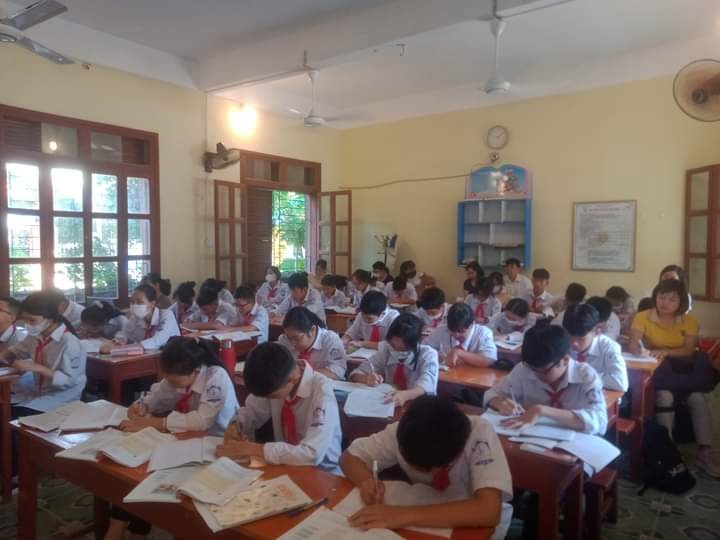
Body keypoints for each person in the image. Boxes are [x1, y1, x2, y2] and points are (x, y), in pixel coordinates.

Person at [104, 337, 239, 540]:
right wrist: (143, 406)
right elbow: (159, 396)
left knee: (155, 477)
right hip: (184, 442)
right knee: (138, 473)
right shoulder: (178, 376)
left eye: (175, 381)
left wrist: (154, 423)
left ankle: (131, 527)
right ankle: (129, 527)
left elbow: (201, 422)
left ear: (195, 371)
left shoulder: (216, 377)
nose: (171, 384)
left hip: (216, 448)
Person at [340, 396, 513, 539]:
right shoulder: (405, 431)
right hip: (426, 515)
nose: (430, 474)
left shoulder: (478, 433)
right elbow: (349, 457)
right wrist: (365, 481)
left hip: (472, 526)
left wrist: (403, 515)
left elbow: (489, 510)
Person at [629, 279, 719, 476]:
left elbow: (689, 350)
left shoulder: (689, 321)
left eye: (672, 299)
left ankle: (704, 452)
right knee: (664, 397)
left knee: (698, 399)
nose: (665, 303)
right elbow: (634, 343)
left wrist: (664, 352)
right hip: (661, 373)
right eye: (662, 297)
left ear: (681, 302)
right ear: (655, 297)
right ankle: (668, 450)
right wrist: (638, 349)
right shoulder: (643, 317)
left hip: (686, 372)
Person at [216, 342, 342, 474]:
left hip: (322, 472)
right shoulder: (275, 380)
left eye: (272, 396)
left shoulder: (322, 393)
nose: (269, 400)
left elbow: (311, 454)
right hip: (284, 465)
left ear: (293, 378)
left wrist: (253, 449)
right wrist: (236, 425)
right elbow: (251, 411)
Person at [484, 325, 608, 435]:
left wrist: (542, 411)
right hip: (530, 440)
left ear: (565, 360)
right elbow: (491, 393)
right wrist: (498, 402)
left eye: (544, 371)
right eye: (532, 369)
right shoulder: (525, 369)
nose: (536, 375)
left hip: (574, 444)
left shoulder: (586, 376)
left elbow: (600, 422)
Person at [0, 291, 86, 414]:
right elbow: (16, 350)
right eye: (25, 320)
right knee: (4, 409)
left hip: (61, 399)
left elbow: (69, 382)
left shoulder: (69, 343)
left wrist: (37, 367)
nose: (27, 325)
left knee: (10, 416)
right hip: (36, 393)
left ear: (50, 318)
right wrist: (5, 355)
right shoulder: (36, 335)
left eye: (32, 320)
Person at [349, 314, 439, 407]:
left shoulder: (428, 354)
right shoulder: (386, 349)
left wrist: (406, 395)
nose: (396, 351)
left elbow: (427, 385)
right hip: (389, 404)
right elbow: (356, 373)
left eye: (403, 349)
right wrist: (366, 378)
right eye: (393, 346)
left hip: (417, 407)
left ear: (417, 343)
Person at [562, 304, 628, 392]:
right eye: (570, 337)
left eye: (581, 339)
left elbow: (620, 383)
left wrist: (584, 375)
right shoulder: (561, 341)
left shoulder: (610, 347)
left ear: (597, 332)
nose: (574, 343)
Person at [101, 285, 180, 353]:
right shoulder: (135, 319)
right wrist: (118, 340)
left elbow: (157, 341)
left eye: (140, 302)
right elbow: (124, 333)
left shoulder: (166, 315)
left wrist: (122, 349)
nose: (135, 305)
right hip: (148, 358)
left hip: (172, 358)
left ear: (152, 304)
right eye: (132, 302)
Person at [278, 307, 347, 380]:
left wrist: (304, 374)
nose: (292, 343)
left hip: (324, 384)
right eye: (289, 338)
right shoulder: (284, 340)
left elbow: (338, 371)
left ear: (312, 330)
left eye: (296, 338)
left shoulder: (330, 339)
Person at [426, 303, 497, 368]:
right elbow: (424, 349)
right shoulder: (442, 330)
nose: (456, 335)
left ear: (472, 324)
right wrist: (436, 355)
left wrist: (459, 353)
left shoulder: (483, 333)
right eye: (452, 331)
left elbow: (490, 360)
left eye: (461, 331)